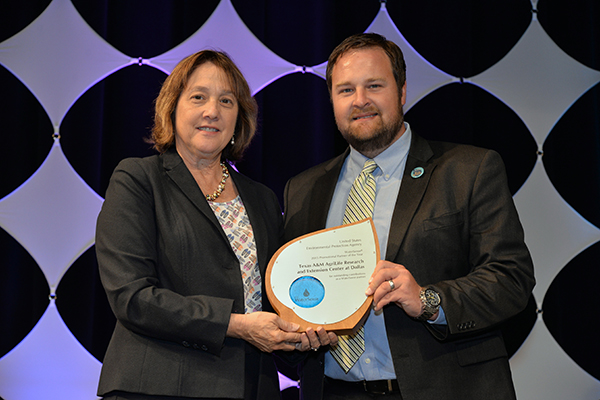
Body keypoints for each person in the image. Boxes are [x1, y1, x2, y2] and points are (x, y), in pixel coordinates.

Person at [283, 33, 535, 400]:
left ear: (402, 91)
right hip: (334, 391)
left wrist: (428, 300)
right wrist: (298, 332)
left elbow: (511, 279)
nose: (361, 101)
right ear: (332, 101)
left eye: (374, 85)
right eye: (346, 90)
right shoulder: (303, 189)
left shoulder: (468, 170)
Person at [95, 50, 331, 400]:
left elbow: (272, 302)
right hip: (157, 388)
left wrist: (302, 333)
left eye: (226, 100)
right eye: (198, 97)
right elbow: (132, 298)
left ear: (239, 118)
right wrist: (235, 324)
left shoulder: (263, 199)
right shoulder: (138, 179)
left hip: (253, 387)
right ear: (172, 108)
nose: (212, 111)